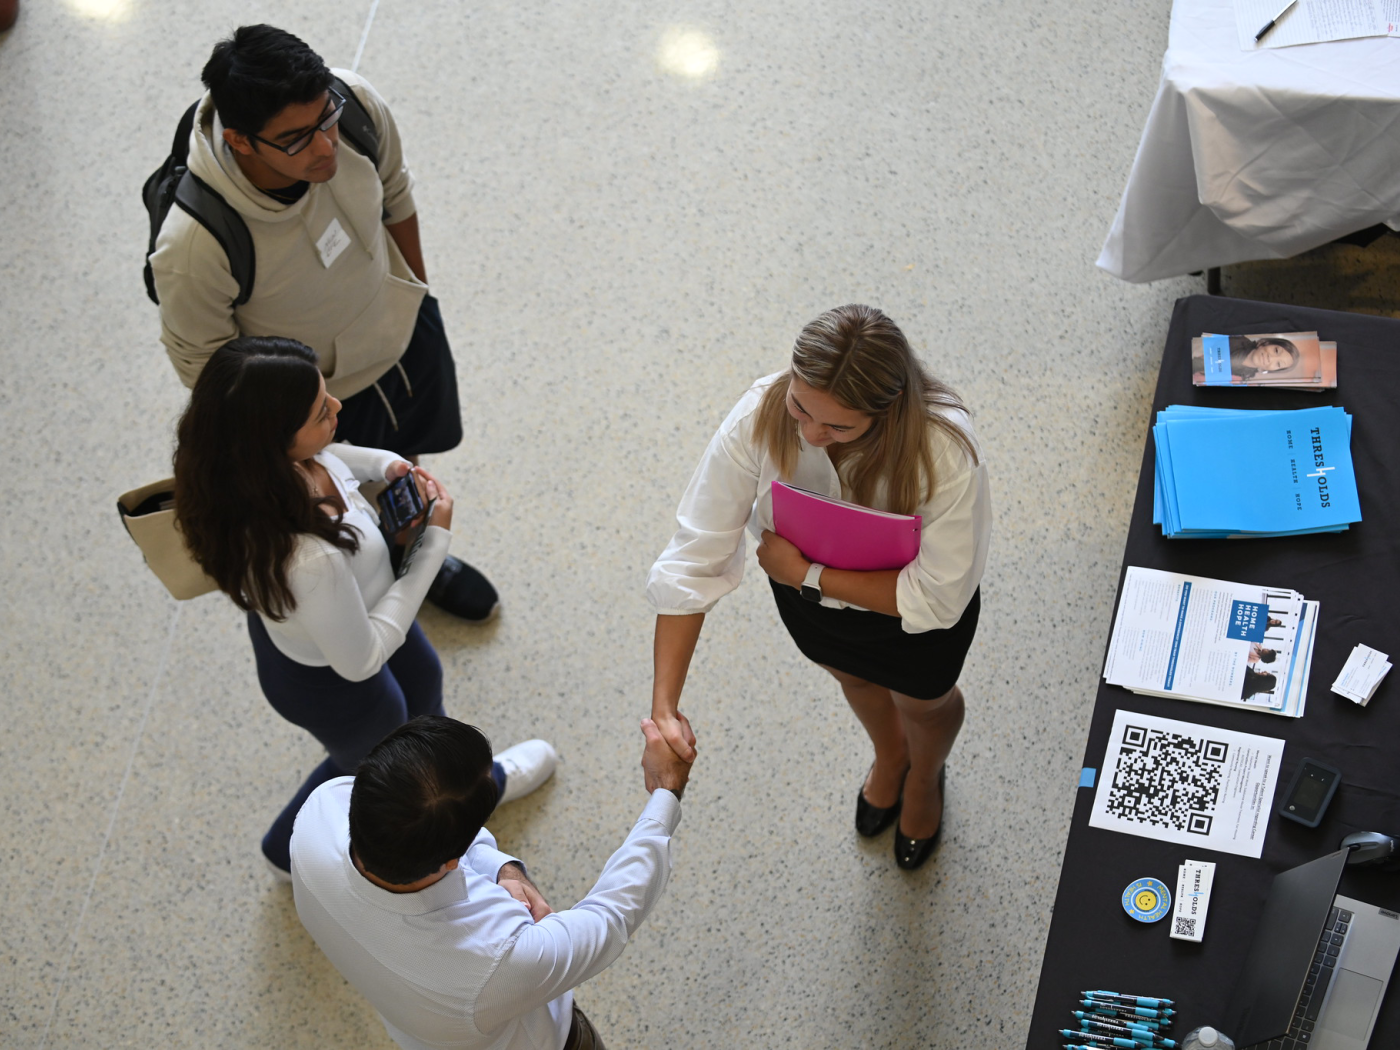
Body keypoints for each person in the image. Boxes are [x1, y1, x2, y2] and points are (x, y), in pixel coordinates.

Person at [172, 337, 556, 879]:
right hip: (334, 679)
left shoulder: (255, 469)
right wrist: (432, 543)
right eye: (320, 412)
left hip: (357, 616)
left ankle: (462, 782)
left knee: (423, 685)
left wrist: (387, 465)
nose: (337, 408)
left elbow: (331, 458)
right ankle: (288, 850)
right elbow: (363, 659)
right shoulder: (309, 559)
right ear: (274, 441)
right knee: (374, 760)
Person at [150, 24, 495, 621]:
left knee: (403, 462)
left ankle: (414, 545)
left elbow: (396, 194)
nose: (326, 148)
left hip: (396, 331)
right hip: (316, 400)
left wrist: (415, 292)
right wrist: (287, 438)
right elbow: (207, 370)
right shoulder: (192, 246)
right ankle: (386, 571)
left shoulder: (353, 102)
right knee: (342, 505)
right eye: (295, 139)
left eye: (325, 119)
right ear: (240, 141)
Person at [646, 304, 991, 870]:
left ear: (888, 411)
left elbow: (938, 596)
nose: (809, 434)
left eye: (837, 427)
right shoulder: (758, 414)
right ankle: (890, 757)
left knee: (925, 704)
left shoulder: (945, 448)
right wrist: (664, 707)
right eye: (800, 407)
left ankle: (925, 778)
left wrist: (808, 575)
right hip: (811, 608)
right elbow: (695, 555)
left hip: (908, 617)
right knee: (854, 679)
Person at [291, 714, 691, 1050]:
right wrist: (666, 793)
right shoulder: (497, 961)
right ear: (452, 858)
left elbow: (452, 849)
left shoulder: (319, 812)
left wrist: (504, 869)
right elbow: (610, 915)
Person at [1190, 335, 1301, 382]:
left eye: (1278, 364)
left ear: (1272, 370)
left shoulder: (1243, 378)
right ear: (1265, 343)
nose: (1271, 358)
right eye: (1276, 351)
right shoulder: (1237, 340)